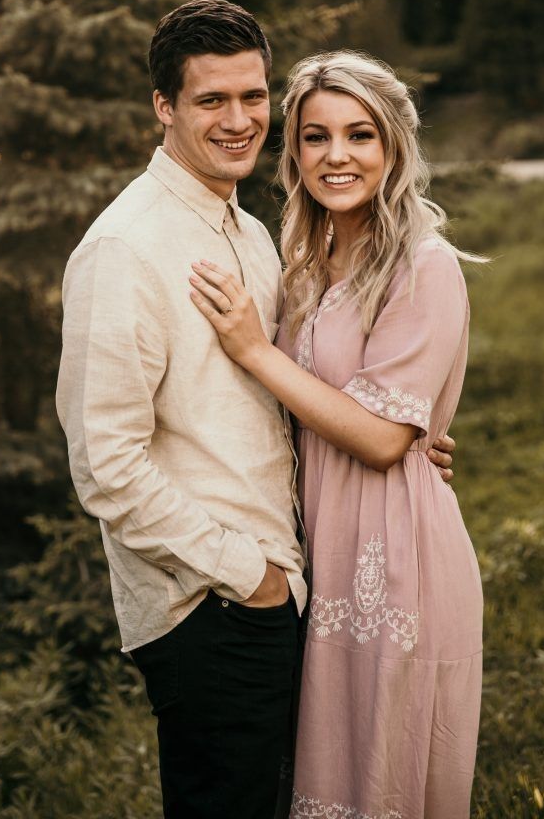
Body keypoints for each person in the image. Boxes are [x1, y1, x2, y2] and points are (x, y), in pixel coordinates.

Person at [56, 0, 456, 819]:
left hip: (287, 594)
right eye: (211, 100)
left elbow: (273, 405)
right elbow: (106, 465)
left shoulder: (251, 232)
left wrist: (402, 443)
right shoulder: (124, 249)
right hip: (210, 604)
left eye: (251, 98)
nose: (238, 121)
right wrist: (252, 579)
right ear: (163, 107)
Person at [190, 50, 484, 819]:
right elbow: (323, 411)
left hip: (395, 562)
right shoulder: (303, 261)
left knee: (381, 784)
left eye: (360, 135)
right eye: (315, 137)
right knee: (318, 781)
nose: (337, 156)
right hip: (318, 544)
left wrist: (254, 349)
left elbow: (385, 441)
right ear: (294, 153)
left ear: (392, 148)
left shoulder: (424, 265)